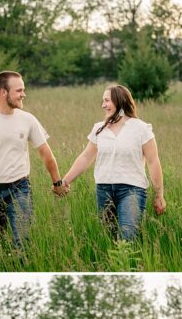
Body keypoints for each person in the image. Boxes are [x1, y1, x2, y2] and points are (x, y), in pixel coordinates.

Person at [0, 70, 68, 248]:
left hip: (20, 189)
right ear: (3, 92)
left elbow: (45, 153)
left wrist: (57, 182)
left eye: (23, 89)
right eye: (19, 90)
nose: (24, 94)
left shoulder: (28, 119)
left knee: (22, 243)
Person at [62, 84, 166, 240]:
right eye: (103, 101)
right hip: (103, 189)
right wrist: (65, 180)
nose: (103, 105)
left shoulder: (141, 128)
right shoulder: (99, 128)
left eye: (107, 100)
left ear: (120, 101)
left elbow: (153, 162)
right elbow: (86, 157)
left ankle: (128, 264)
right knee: (108, 238)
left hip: (132, 190)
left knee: (128, 238)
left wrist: (159, 195)